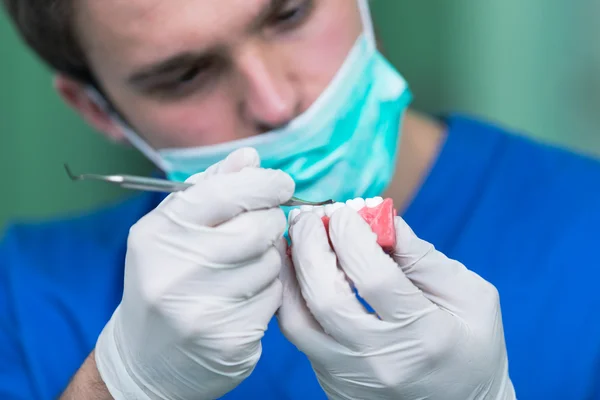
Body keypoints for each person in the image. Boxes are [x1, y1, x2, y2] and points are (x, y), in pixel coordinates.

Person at [1, 0, 599, 398]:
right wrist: (122, 383)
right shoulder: (30, 298)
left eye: (289, 13)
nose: (274, 102)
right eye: (186, 76)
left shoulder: (583, 227)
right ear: (97, 111)